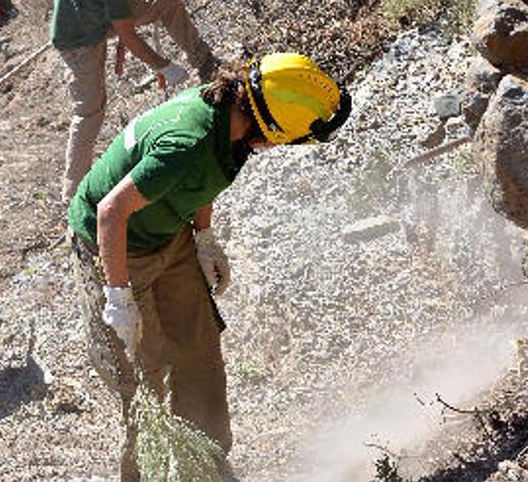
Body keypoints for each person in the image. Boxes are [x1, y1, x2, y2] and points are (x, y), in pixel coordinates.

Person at [67, 53, 353, 481]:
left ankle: (207, 471)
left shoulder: (230, 119)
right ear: (271, 128)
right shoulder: (188, 143)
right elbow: (111, 213)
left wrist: (203, 237)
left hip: (168, 234)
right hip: (115, 245)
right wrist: (119, 297)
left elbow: (207, 176)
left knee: (198, 354)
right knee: (145, 378)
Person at [50, 0, 219, 202]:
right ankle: (72, 196)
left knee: (167, 3)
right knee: (89, 111)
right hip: (77, 36)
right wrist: (163, 66)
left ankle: (208, 65)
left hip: (95, 2)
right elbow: (128, 36)